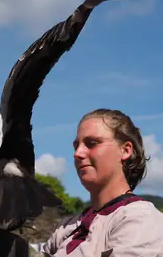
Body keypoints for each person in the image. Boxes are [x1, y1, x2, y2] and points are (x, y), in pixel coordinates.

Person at [38, 108, 163, 257]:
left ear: (125, 150)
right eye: (76, 146)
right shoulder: (68, 226)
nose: (77, 153)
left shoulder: (139, 218)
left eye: (92, 143)